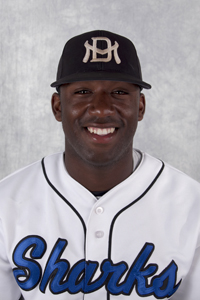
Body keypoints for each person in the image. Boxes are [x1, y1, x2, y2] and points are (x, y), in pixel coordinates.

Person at [0, 30, 200, 300]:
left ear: (140, 107)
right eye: (83, 92)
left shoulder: (192, 205)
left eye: (119, 92)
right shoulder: (7, 201)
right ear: (58, 106)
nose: (101, 109)